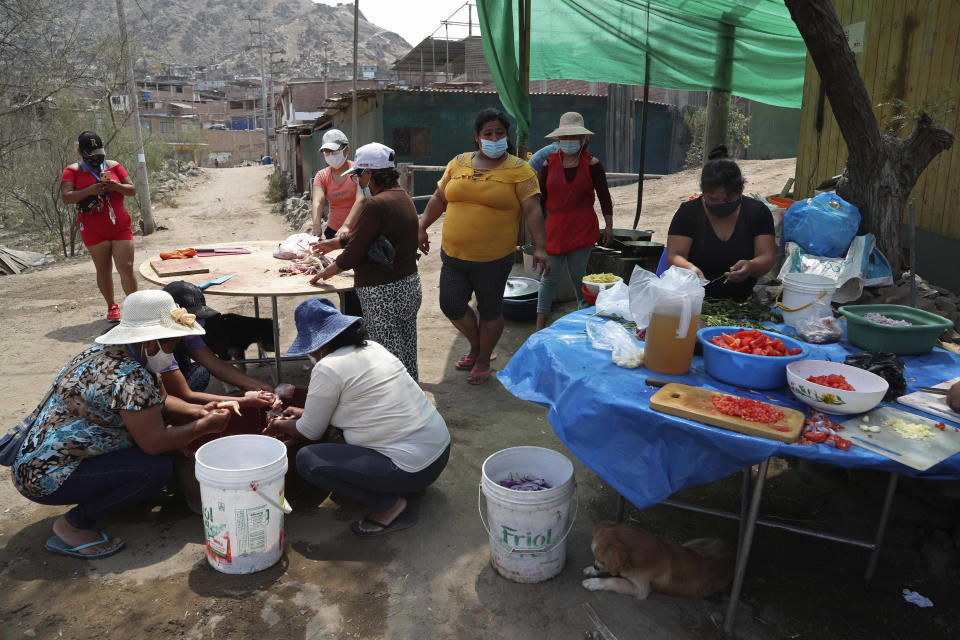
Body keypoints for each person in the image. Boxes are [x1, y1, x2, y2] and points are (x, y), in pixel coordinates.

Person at [8, 290, 233, 558]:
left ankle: (112, 495)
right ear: (150, 342)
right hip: (46, 474)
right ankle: (74, 525)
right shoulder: (129, 376)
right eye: (171, 346)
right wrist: (206, 426)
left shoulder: (117, 354)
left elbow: (160, 400)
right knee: (154, 469)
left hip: (40, 459)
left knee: (158, 456)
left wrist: (199, 410)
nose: (172, 353)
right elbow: (155, 443)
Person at [264, 298, 450, 536]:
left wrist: (278, 424)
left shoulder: (327, 367)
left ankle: (389, 505)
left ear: (320, 345)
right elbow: (359, 406)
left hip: (411, 468)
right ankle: (402, 487)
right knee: (338, 436)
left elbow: (310, 432)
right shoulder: (372, 347)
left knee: (309, 460)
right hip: (438, 453)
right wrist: (303, 414)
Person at [418, 108, 550, 385]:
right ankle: (478, 346)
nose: (494, 138)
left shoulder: (520, 170)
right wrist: (421, 225)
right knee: (451, 305)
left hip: (493, 259)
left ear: (507, 136)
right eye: (487, 133)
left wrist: (540, 247)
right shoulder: (459, 162)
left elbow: (533, 211)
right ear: (477, 138)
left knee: (490, 310)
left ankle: (481, 357)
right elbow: (439, 198)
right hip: (453, 256)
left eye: (499, 133)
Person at [309, 143, 422, 381]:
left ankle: (394, 405)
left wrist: (325, 273)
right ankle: (411, 393)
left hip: (383, 291)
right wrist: (335, 244)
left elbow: (355, 253)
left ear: (369, 173)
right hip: (408, 284)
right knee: (405, 346)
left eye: (358, 175)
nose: (356, 181)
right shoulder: (402, 197)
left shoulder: (375, 204)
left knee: (385, 355)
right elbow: (372, 236)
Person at [535, 112, 614, 330]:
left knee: (580, 279)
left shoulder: (593, 164)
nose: (569, 142)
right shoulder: (547, 164)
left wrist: (609, 225)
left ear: (583, 139)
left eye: (574, 137)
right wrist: (537, 233)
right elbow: (540, 201)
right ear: (558, 140)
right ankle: (539, 326)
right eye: (565, 137)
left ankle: (584, 324)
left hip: (582, 228)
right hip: (554, 229)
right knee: (548, 279)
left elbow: (604, 196)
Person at [665, 145, 775, 300]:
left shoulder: (757, 212)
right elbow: (674, 255)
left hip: (742, 302)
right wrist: (690, 269)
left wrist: (751, 267)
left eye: (728, 200)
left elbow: (766, 256)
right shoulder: (688, 212)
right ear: (703, 192)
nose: (720, 204)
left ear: (740, 191)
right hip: (693, 300)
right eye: (712, 199)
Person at [60, 131, 138, 322]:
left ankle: (135, 306)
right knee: (103, 268)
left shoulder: (115, 166)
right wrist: (90, 190)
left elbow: (132, 190)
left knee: (126, 266)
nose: (96, 157)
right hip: (92, 227)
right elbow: (66, 197)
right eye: (91, 154)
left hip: (119, 224)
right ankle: (112, 306)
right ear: (81, 152)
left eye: (99, 153)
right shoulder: (72, 171)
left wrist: (116, 186)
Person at [162, 281, 278, 402]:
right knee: (197, 379)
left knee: (201, 371)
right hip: (158, 396)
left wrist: (259, 386)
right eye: (190, 318)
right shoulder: (159, 349)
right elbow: (183, 394)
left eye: (198, 318)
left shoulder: (187, 335)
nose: (195, 323)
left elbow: (216, 365)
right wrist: (242, 402)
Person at [311, 128, 364, 240]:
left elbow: (361, 200)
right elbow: (318, 201)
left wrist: (346, 226)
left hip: (358, 231)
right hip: (333, 231)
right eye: (326, 152)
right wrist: (316, 226)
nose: (330, 156)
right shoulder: (321, 176)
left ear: (347, 150)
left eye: (334, 152)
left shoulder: (358, 172)